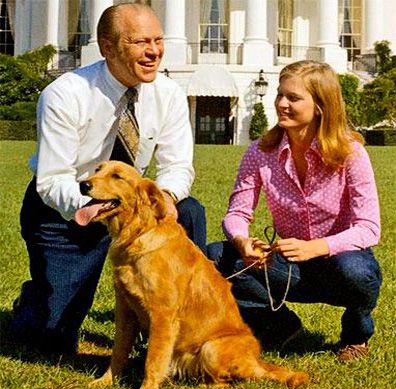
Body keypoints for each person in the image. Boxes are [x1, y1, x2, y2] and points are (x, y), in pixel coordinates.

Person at [10, 3, 206, 355]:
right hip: (66, 207)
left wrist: (168, 198)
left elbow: (178, 167)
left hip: (130, 204)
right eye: (139, 42)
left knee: (190, 212)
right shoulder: (65, 94)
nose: (153, 51)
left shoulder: (169, 93)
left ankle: (172, 322)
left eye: (158, 40)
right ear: (107, 47)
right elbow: (53, 180)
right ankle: (34, 302)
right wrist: (97, 208)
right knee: (51, 337)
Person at [207, 60, 382, 363]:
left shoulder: (350, 153)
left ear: (320, 107)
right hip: (291, 268)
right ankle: (281, 326)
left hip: (340, 263)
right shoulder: (260, 151)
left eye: (293, 98)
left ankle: (356, 335)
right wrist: (242, 241)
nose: (282, 104)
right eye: (280, 95)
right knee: (215, 256)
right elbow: (237, 212)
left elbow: (369, 228)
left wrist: (316, 247)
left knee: (358, 272)